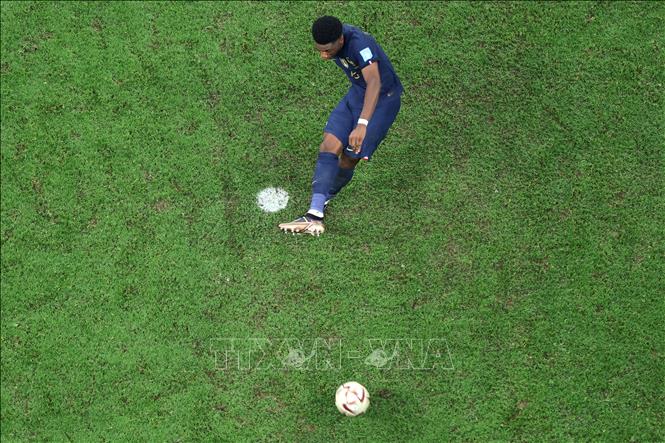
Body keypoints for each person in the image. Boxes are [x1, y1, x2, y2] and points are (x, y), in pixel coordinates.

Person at [279, 15, 403, 236]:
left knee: (349, 157)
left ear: (340, 41)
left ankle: (328, 195)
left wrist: (363, 124)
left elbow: (375, 82)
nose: (323, 55)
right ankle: (315, 214)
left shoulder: (359, 44)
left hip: (383, 100)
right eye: (319, 49)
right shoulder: (333, 38)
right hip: (357, 93)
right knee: (329, 144)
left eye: (327, 50)